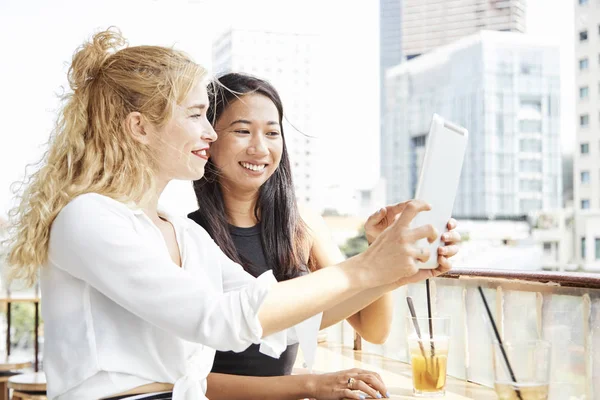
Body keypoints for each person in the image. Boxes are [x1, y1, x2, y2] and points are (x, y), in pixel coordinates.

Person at [6, 29, 445, 400]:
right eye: (197, 115)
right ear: (139, 127)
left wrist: (395, 270)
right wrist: (368, 267)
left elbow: (281, 321)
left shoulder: (183, 234)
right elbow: (217, 320)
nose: (210, 132)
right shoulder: (89, 219)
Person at [188, 73, 460, 399]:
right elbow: (193, 379)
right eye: (242, 131)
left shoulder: (302, 225)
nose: (260, 147)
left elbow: (373, 329)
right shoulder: (187, 237)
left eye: (272, 133)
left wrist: (384, 254)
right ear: (209, 137)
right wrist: (313, 385)